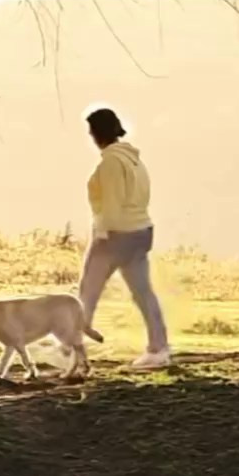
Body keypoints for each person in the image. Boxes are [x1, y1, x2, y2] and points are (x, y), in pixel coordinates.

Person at [79, 105, 172, 368]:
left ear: (97, 133)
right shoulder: (134, 159)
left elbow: (111, 202)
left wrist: (102, 234)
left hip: (116, 234)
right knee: (143, 292)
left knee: (88, 291)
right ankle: (159, 349)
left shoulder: (111, 162)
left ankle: (70, 347)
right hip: (140, 231)